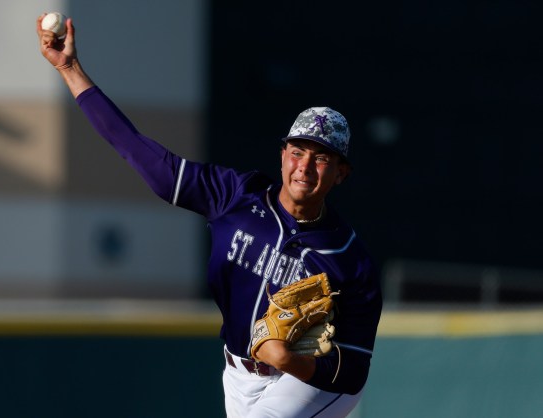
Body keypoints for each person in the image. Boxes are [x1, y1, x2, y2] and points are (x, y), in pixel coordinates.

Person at [37, 14, 382, 418]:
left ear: (342, 173)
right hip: (236, 374)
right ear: (282, 154)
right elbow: (141, 152)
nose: (304, 167)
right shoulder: (235, 197)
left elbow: (353, 372)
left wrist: (290, 361)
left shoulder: (349, 259)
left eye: (321, 157)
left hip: (308, 385)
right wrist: (69, 69)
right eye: (298, 151)